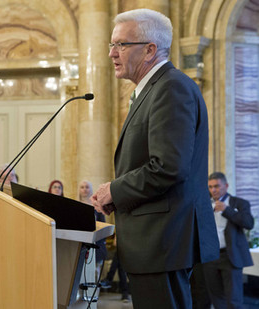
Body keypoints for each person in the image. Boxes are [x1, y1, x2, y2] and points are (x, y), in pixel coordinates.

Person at [91, 9, 219, 308]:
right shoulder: (152, 89)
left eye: (121, 45)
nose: (112, 53)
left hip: (163, 241)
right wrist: (118, 195)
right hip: (157, 242)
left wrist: (115, 189)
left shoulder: (170, 88)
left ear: (150, 49)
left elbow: (168, 166)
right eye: (112, 45)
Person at [203, 172, 254, 308]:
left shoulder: (239, 203)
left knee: (234, 300)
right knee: (216, 299)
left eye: (217, 186)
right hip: (210, 257)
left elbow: (249, 223)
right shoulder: (205, 204)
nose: (213, 190)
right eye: (210, 187)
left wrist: (227, 210)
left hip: (230, 256)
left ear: (225, 186)